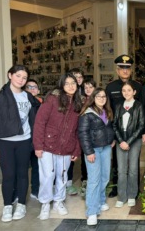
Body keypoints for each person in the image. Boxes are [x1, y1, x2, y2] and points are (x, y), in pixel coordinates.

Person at [0, 65, 41, 222]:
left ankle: (21, 205)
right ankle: (7, 206)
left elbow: (38, 115)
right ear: (10, 75)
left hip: (25, 141)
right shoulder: (1, 97)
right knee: (9, 175)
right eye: (18, 76)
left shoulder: (28, 97)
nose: (21, 80)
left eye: (24, 77)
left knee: (23, 174)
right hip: (5, 143)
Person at [33, 73, 83, 220]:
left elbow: (79, 129)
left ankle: (58, 201)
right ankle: (45, 203)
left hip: (67, 146)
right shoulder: (52, 100)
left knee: (62, 175)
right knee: (47, 175)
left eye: (73, 83)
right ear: (62, 85)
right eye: (67, 83)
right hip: (48, 145)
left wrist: (76, 149)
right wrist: (38, 146)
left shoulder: (78, 103)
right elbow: (40, 122)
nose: (71, 86)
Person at [106, 54, 143, 198]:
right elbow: (108, 110)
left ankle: (135, 189)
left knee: (134, 161)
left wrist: (142, 132)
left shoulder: (138, 87)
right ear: (117, 70)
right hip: (117, 131)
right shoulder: (111, 87)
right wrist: (112, 135)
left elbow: (141, 110)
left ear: (131, 70)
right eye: (122, 68)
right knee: (117, 161)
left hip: (134, 131)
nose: (125, 71)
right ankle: (117, 187)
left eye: (128, 68)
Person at [78, 88, 115, 226]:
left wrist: (112, 139)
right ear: (93, 98)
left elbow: (110, 128)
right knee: (94, 180)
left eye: (104, 96)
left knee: (105, 177)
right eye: (98, 96)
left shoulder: (107, 111)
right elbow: (83, 134)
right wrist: (89, 152)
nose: (101, 98)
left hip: (106, 148)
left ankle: (100, 200)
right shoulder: (87, 114)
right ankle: (92, 212)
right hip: (93, 150)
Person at [112, 81, 145, 208]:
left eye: (129, 90)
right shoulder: (119, 106)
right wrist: (121, 141)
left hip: (134, 140)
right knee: (121, 170)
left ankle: (132, 194)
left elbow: (141, 125)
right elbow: (114, 124)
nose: (126, 93)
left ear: (134, 92)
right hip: (121, 140)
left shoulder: (139, 106)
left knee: (132, 170)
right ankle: (121, 196)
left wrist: (129, 141)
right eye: (124, 90)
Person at [66, 68, 85, 196]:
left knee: (84, 155)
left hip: (82, 128)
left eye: (80, 77)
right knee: (69, 157)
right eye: (75, 77)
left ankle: (85, 179)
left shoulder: (85, 92)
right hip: (69, 130)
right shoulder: (65, 93)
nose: (78, 79)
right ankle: (67, 182)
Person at [25, 79, 43, 200]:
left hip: (37, 141)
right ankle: (18, 192)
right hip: (24, 140)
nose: (32, 89)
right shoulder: (21, 102)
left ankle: (35, 190)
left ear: (38, 90)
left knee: (37, 167)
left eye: (34, 87)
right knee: (21, 168)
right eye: (29, 87)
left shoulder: (42, 104)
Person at [78, 78, 97, 197]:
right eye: (86, 87)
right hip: (85, 135)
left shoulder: (100, 99)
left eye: (91, 87)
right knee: (84, 158)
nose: (88, 89)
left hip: (97, 136)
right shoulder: (80, 101)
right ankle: (85, 181)